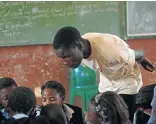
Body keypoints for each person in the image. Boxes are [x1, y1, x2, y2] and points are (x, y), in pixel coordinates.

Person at [53, 26, 155, 122]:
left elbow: (136, 54)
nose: (65, 62)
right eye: (62, 58)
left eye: (67, 56)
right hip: (107, 81)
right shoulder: (79, 44)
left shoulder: (113, 53)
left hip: (127, 80)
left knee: (123, 118)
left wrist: (143, 61)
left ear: (79, 46)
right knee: (95, 114)